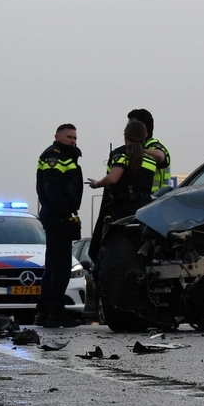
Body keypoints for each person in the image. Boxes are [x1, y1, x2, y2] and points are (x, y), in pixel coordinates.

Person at [35, 123, 84, 328]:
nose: (72, 140)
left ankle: (45, 312)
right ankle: (54, 312)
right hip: (57, 217)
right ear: (57, 136)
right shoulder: (54, 156)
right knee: (61, 267)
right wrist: (64, 212)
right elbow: (52, 188)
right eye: (69, 137)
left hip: (58, 215)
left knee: (54, 265)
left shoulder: (66, 155)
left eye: (74, 138)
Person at [87, 120, 158, 220]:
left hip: (122, 211)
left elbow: (113, 178)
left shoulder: (121, 154)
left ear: (125, 137)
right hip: (144, 211)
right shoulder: (151, 160)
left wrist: (96, 183)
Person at [126, 108, 172, 193]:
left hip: (157, 200)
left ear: (143, 127)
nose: (127, 129)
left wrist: (137, 150)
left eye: (131, 125)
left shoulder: (153, 146)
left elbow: (160, 156)